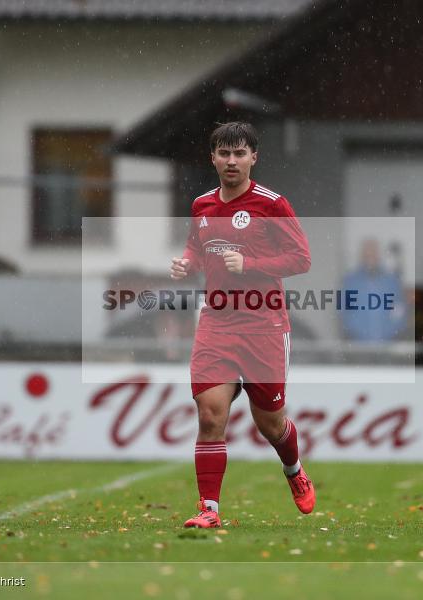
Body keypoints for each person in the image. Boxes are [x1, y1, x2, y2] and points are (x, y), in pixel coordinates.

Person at [170, 122, 314, 528]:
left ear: (254, 157)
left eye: (239, 154)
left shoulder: (272, 204)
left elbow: (301, 258)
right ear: (213, 157)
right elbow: (198, 250)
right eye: (224, 153)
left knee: (270, 422)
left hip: (264, 326)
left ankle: (294, 471)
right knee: (210, 415)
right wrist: (187, 263)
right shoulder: (202, 206)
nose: (231, 161)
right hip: (216, 324)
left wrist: (251, 264)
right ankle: (208, 511)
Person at [340, 238, 405, 342]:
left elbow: (399, 310)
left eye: (373, 254)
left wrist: (391, 332)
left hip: (387, 345)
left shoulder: (391, 282)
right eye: (367, 254)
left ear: (379, 255)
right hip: (359, 346)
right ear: (361, 256)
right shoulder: (350, 282)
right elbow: (345, 312)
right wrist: (357, 334)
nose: (370, 258)